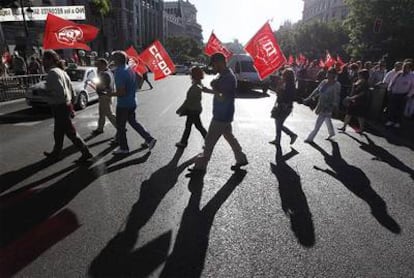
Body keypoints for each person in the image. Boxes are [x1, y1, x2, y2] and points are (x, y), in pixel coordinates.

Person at [189, 53, 248, 173]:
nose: (212, 68)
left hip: (222, 115)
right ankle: (241, 158)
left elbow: (222, 96)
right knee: (229, 136)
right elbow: (219, 93)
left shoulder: (228, 77)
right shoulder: (224, 75)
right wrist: (207, 90)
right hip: (225, 114)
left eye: (214, 65)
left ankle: (200, 166)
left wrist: (214, 87)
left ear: (220, 63)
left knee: (209, 141)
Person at [42, 50, 93, 162]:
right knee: (58, 132)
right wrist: (71, 104)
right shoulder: (62, 71)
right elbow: (72, 90)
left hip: (59, 106)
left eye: (44, 59)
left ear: (50, 59)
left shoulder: (53, 73)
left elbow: (60, 92)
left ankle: (86, 152)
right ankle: (56, 153)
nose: (43, 62)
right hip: (65, 105)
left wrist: (46, 92)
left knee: (71, 132)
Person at [109, 51, 157, 154]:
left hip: (123, 104)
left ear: (117, 60)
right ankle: (149, 139)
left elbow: (121, 92)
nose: (112, 60)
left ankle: (124, 148)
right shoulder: (129, 69)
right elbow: (137, 84)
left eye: (113, 58)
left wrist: (109, 94)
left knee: (121, 127)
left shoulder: (119, 72)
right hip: (132, 102)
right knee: (134, 123)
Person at [304, 67, 341, 143]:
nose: (328, 74)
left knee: (319, 122)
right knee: (327, 119)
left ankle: (310, 138)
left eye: (330, 73)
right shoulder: (324, 82)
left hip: (328, 106)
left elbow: (337, 96)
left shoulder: (336, 84)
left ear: (334, 75)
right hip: (321, 103)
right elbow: (317, 90)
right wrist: (309, 98)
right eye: (328, 72)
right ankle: (331, 133)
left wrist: (335, 105)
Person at [175, 66, 207, 148]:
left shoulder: (196, 86)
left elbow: (188, 100)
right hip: (196, 109)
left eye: (191, 74)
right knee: (197, 126)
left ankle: (183, 142)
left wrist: (180, 109)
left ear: (193, 75)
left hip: (193, 110)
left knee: (189, 126)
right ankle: (208, 141)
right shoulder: (198, 84)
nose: (190, 75)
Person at [269, 68, 298, 146]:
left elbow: (289, 96)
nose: (282, 76)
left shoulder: (290, 86)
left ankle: (291, 135)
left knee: (279, 124)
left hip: (285, 106)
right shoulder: (284, 83)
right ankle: (278, 139)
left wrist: (281, 90)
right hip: (281, 105)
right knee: (278, 123)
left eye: (284, 75)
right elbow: (277, 92)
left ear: (287, 76)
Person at [338, 69, 370, 133]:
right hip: (353, 100)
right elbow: (354, 89)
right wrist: (350, 97)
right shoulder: (358, 80)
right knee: (349, 113)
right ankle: (344, 127)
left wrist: (352, 97)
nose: (358, 75)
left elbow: (362, 93)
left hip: (360, 101)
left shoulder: (365, 83)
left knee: (360, 115)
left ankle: (361, 128)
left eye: (360, 74)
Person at [91, 58, 117, 136]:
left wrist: (98, 86)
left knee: (109, 114)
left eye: (98, 65)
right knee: (102, 113)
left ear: (103, 64)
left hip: (104, 96)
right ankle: (100, 128)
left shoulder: (104, 74)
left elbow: (103, 86)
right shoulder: (109, 72)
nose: (97, 67)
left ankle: (120, 128)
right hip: (107, 95)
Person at [385, 61, 414, 128]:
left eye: (406, 67)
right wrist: (389, 89)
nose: (404, 68)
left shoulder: (412, 76)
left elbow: (413, 87)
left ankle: (398, 122)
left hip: (403, 95)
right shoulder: (399, 73)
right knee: (392, 108)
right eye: (404, 67)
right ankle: (390, 120)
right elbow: (392, 82)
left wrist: (408, 95)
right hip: (394, 93)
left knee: (400, 109)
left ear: (410, 68)